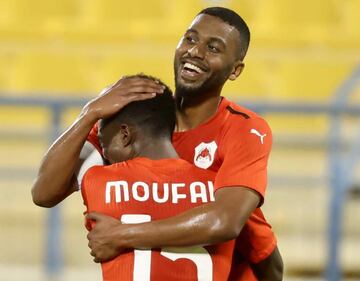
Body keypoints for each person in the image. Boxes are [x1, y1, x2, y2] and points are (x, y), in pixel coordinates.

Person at [32, 6, 283, 281]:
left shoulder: (244, 128)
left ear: (235, 71)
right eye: (190, 38)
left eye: (213, 48)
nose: (195, 52)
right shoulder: (141, 112)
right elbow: (44, 193)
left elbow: (226, 221)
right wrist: (89, 113)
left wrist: (121, 235)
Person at [81, 74, 236, 280]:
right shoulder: (225, 192)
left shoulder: (98, 181)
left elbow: (43, 193)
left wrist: (88, 113)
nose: (105, 154)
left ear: (125, 135)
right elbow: (268, 258)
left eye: (104, 143)